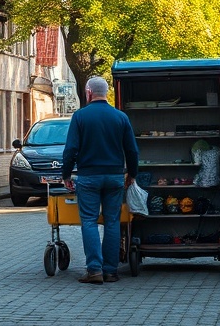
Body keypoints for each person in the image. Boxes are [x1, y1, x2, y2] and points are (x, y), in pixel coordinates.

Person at [61, 75, 139, 284]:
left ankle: (94, 270)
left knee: (89, 221)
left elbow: (71, 150)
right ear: (106, 93)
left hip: (88, 177)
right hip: (114, 176)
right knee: (112, 222)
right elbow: (132, 150)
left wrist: (66, 174)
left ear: (88, 93)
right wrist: (131, 174)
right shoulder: (120, 117)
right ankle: (111, 271)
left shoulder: (80, 116)